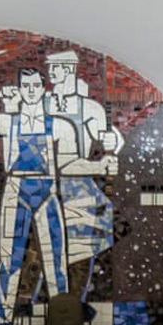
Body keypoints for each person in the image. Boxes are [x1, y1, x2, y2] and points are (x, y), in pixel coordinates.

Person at [0, 67, 116, 325]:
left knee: (56, 261)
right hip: (16, 191)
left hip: (47, 191)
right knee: (9, 260)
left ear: (42, 89)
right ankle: (3, 320)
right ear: (20, 89)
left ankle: (63, 322)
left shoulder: (60, 126)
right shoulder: (8, 124)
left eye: (35, 85)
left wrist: (98, 166)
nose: (30, 90)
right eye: (25, 85)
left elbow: (68, 163)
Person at [45, 50, 123, 301]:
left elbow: (111, 139)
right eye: (49, 67)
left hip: (77, 185)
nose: (50, 73)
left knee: (81, 246)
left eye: (55, 68)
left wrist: (113, 142)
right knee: (45, 246)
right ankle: (49, 301)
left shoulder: (89, 108)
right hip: (45, 182)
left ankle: (73, 302)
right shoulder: (43, 103)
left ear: (69, 69)